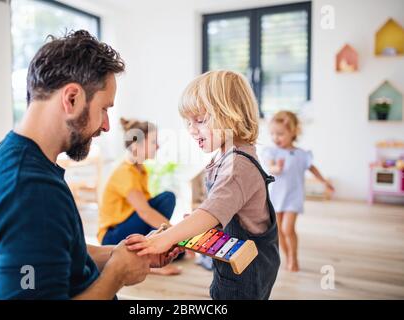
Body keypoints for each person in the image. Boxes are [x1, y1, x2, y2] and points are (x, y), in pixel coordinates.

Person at [0, 30, 181, 300]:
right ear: (72, 99)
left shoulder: (11, 155)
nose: (106, 125)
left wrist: (120, 254)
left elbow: (60, 251)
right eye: (104, 108)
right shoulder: (31, 193)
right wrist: (116, 276)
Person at [125, 70, 280, 300]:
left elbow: (211, 211)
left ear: (232, 114)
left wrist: (165, 238)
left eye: (200, 120)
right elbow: (222, 210)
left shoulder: (237, 164)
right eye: (188, 122)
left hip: (246, 273)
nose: (191, 129)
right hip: (234, 264)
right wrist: (195, 227)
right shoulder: (228, 156)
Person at [98, 117, 181, 275]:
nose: (158, 146)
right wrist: (176, 234)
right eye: (153, 142)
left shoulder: (141, 170)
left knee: (177, 250)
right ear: (136, 145)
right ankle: (148, 262)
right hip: (112, 237)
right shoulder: (125, 172)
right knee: (167, 199)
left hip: (129, 228)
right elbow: (145, 212)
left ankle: (155, 251)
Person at [262, 110, 334, 272]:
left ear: (293, 131)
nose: (275, 138)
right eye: (272, 134)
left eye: (280, 134)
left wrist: (324, 182)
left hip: (293, 197)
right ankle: (287, 257)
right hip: (276, 197)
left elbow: (312, 168)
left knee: (288, 229)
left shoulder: (302, 155)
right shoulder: (272, 152)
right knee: (279, 231)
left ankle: (294, 257)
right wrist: (276, 168)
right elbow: (270, 166)